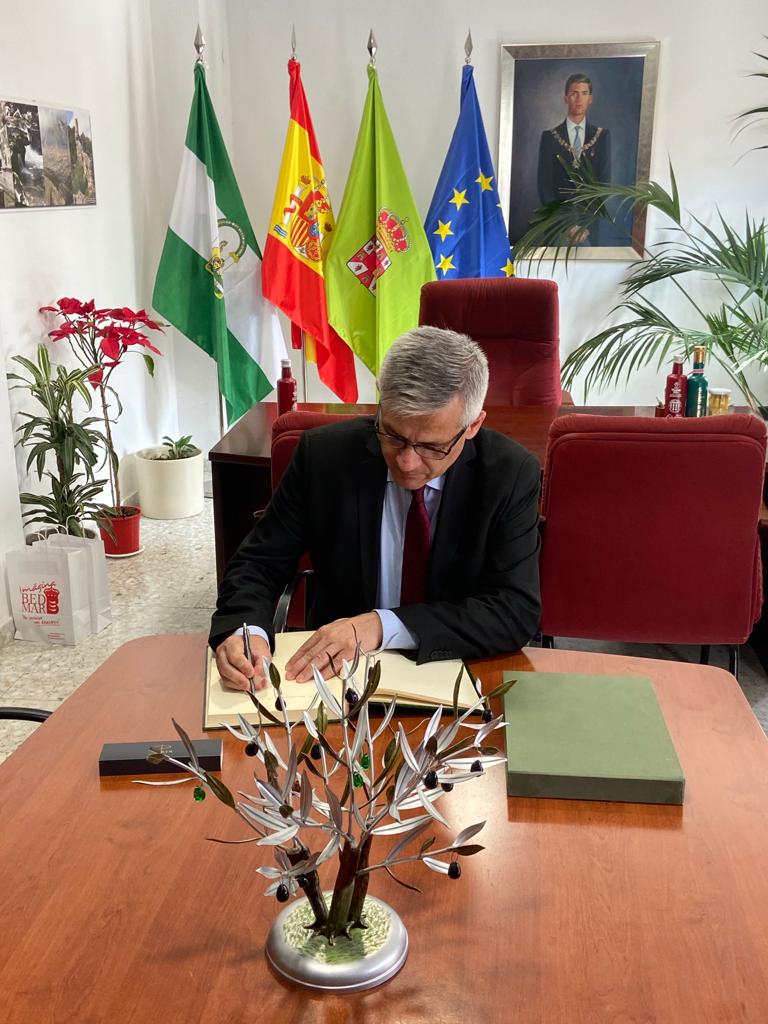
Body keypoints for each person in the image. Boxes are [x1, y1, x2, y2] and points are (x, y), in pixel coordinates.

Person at [211, 326, 541, 690]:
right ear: (381, 406)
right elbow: (259, 562)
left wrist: (383, 625)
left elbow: (514, 610)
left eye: (432, 447)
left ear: (473, 426)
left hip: (456, 668)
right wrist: (246, 629)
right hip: (335, 674)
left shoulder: (509, 474)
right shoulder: (323, 456)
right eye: (393, 435)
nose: (407, 462)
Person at [536, 73, 611, 244]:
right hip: (558, 224)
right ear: (566, 98)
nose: (579, 99)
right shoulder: (549, 137)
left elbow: (604, 183)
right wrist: (568, 225)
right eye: (574, 93)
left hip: (590, 225)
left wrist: (583, 225)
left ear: (590, 99)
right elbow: (544, 187)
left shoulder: (602, 136)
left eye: (584, 93)